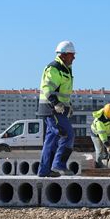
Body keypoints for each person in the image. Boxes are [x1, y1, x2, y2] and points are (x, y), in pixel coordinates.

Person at [37, 40, 76, 177]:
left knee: (51, 140)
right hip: (51, 109)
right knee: (66, 133)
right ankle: (58, 164)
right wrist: (56, 103)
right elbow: (47, 88)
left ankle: (44, 171)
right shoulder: (54, 68)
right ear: (63, 55)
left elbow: (63, 91)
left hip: (58, 109)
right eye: (72, 54)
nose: (74, 57)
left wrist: (67, 105)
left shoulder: (65, 68)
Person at [90, 103, 110, 168]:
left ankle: (104, 164)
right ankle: (98, 165)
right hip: (96, 134)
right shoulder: (100, 121)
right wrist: (107, 145)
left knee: (106, 152)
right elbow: (102, 135)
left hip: (107, 133)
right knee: (100, 150)